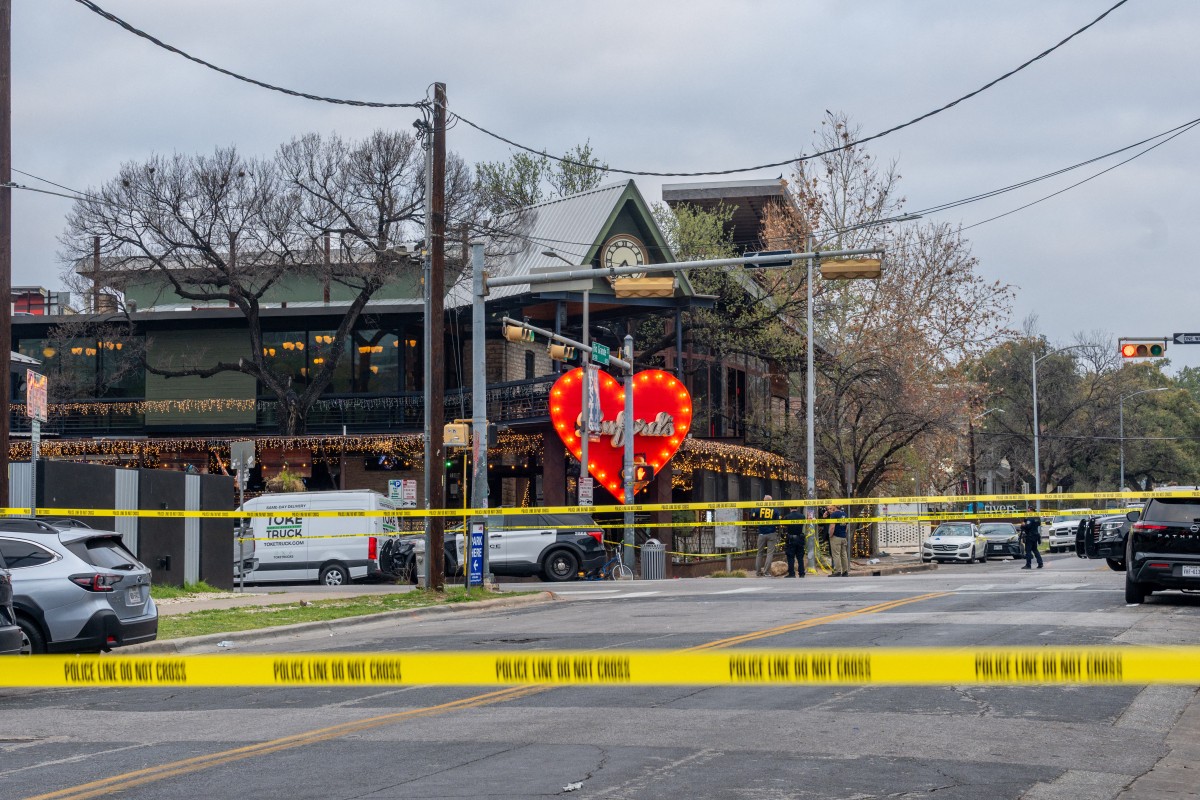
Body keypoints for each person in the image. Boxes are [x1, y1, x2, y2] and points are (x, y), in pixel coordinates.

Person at [753, 495, 779, 577]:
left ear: (764, 500)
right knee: (769, 553)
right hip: (771, 533)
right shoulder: (775, 510)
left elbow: (752, 518)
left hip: (761, 533)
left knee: (759, 553)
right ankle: (766, 572)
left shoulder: (759, 509)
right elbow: (778, 521)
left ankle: (758, 571)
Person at [783, 506, 807, 577]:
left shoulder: (787, 517)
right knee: (800, 557)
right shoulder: (802, 516)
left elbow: (784, 525)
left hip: (791, 539)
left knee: (790, 557)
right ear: (797, 508)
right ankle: (802, 573)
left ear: (790, 508)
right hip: (800, 538)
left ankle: (791, 573)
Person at [828, 504, 850, 577]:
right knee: (844, 554)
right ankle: (845, 571)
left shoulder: (834, 515)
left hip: (836, 536)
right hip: (843, 537)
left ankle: (837, 571)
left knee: (836, 554)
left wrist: (830, 535)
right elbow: (846, 527)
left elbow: (832, 527)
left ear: (835, 507)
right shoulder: (844, 514)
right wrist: (844, 533)